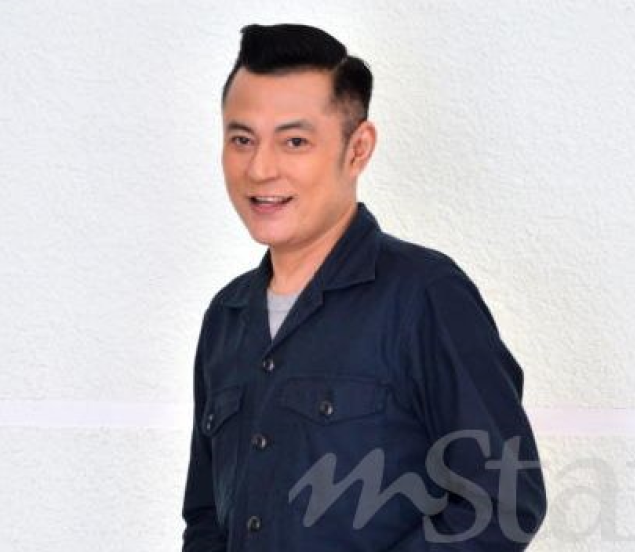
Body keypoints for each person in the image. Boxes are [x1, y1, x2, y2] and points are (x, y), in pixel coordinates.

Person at [182, 23, 547, 551]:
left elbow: (502, 503)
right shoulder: (227, 318)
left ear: (357, 149)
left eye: (294, 141)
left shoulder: (426, 296)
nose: (260, 168)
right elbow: (206, 518)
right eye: (242, 140)